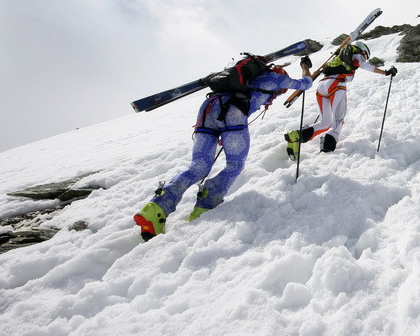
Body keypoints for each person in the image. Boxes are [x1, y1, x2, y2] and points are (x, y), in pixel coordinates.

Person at [133, 56, 314, 240]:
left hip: (208, 108)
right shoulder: (276, 78)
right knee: (235, 164)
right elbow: (306, 84)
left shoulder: (239, 79)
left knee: (198, 166)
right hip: (232, 113)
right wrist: (305, 66)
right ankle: (206, 202)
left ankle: (156, 208)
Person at [285, 41, 397, 158]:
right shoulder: (356, 54)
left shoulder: (339, 57)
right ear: (362, 50)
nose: (364, 58)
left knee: (325, 122)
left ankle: (296, 136)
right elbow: (364, 65)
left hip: (322, 86)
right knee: (338, 121)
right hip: (337, 85)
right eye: (365, 56)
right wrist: (385, 72)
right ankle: (327, 152)